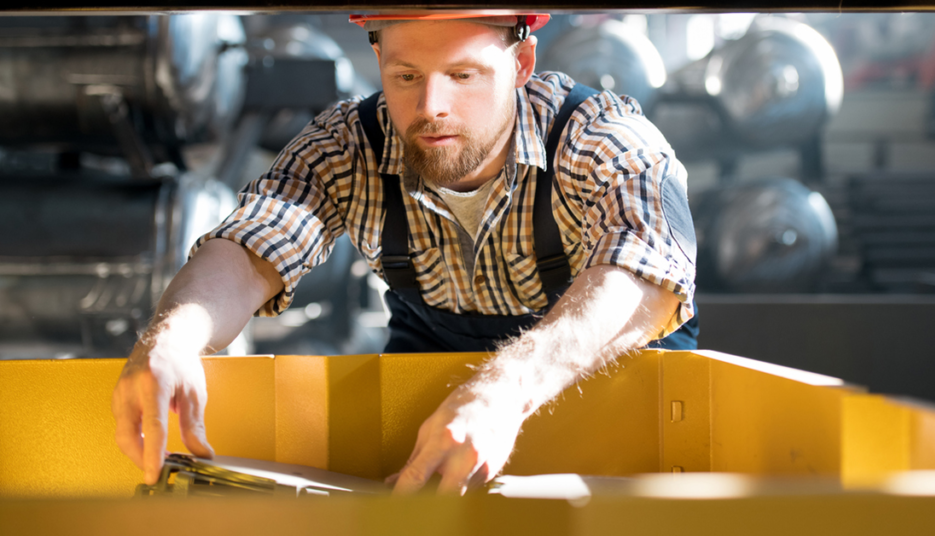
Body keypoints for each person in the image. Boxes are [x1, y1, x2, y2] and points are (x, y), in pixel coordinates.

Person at [112, 13, 698, 496]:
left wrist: (502, 389)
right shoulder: (347, 146)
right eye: (406, 76)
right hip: (436, 393)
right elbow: (251, 246)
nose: (430, 107)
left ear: (521, 65)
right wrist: (175, 336)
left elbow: (640, 276)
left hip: (609, 386)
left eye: (463, 75)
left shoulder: (599, 135)